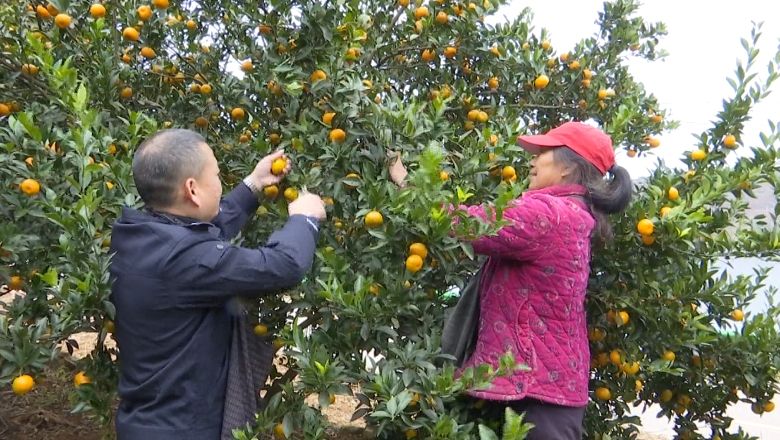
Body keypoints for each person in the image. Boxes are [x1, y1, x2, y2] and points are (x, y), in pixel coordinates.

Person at [389, 121, 632, 439]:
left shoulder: (549, 214)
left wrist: (406, 183)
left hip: (538, 391)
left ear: (567, 168)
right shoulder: (573, 211)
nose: (532, 160)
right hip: (543, 385)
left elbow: (466, 225)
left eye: (542, 152)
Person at [109, 129, 326, 440]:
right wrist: (304, 220)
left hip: (146, 422)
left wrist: (254, 184)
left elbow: (204, 231)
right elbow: (284, 265)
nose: (220, 180)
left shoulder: (138, 235)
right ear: (192, 189)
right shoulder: (186, 259)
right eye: (217, 174)